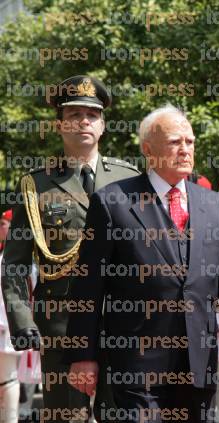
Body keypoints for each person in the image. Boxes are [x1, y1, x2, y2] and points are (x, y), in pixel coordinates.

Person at [63, 104, 219, 423]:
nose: (185, 149)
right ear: (148, 150)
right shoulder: (113, 203)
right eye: (174, 142)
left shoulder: (214, 205)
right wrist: (83, 355)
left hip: (198, 363)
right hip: (136, 365)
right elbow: (88, 286)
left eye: (190, 141)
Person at [0, 75, 140, 423]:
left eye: (91, 115)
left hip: (120, 321)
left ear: (103, 125)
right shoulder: (36, 184)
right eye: (74, 114)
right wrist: (22, 322)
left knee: (122, 415)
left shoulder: (128, 179)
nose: (83, 122)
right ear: (59, 124)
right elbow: (15, 263)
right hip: (61, 323)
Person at [0, 210, 20, 423]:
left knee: (8, 379)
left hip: (6, 324)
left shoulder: (16, 257)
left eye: (4, 224)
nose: (1, 228)